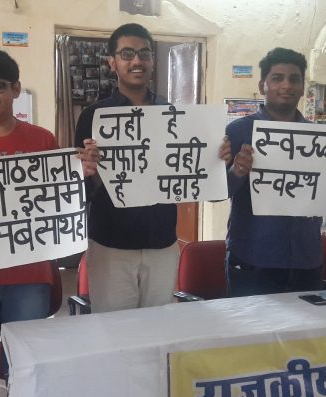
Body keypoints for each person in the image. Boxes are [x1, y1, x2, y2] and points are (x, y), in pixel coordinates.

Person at [0, 49, 95, 397]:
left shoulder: (42, 140)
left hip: (29, 277)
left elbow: (60, 202)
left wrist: (80, 177)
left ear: (16, 89)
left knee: (25, 372)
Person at [75, 23, 230, 313]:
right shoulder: (94, 116)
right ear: (112, 62)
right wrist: (88, 170)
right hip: (111, 245)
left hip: (161, 243)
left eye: (144, 54)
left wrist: (217, 159)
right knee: (113, 329)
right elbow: (82, 187)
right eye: (127, 53)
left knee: (157, 327)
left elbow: (197, 174)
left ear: (152, 61)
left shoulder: (175, 115)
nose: (137, 60)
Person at [225, 47, 326, 297]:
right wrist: (237, 172)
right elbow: (217, 193)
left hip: (307, 260)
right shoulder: (238, 132)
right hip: (253, 259)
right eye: (277, 78)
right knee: (252, 324)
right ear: (262, 85)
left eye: (294, 79)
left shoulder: (321, 139)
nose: (286, 85)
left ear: (303, 87)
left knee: (307, 324)